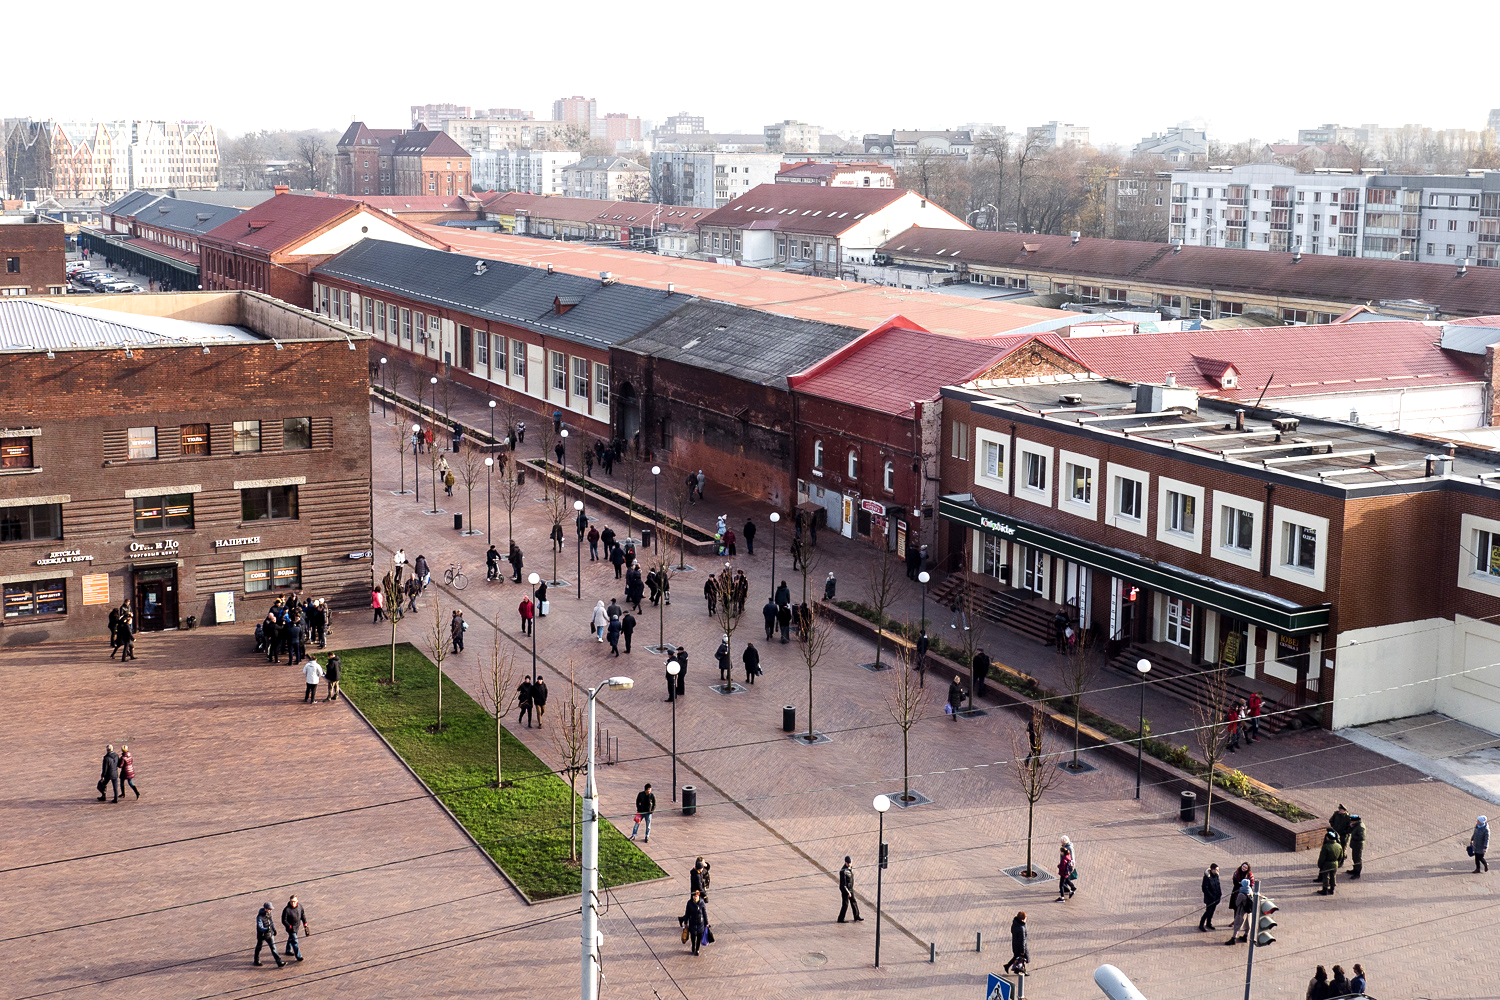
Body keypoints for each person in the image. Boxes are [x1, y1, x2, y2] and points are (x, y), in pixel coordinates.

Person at [254, 903, 285, 967]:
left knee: (273, 948)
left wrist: (274, 929)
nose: (270, 910)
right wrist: (266, 930)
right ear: (265, 909)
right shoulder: (259, 917)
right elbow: (260, 927)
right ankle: (256, 960)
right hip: (262, 936)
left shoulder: (269, 914)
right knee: (259, 947)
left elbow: (271, 922)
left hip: (270, 934)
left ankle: (279, 962)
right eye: (269, 909)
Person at [281, 895, 309, 962]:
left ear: (297, 901)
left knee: (291, 939)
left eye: (294, 901)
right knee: (295, 941)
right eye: (291, 901)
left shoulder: (300, 906)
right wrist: (289, 926)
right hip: (291, 928)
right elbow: (283, 920)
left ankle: (288, 950)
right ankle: (298, 956)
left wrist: (305, 923)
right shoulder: (286, 910)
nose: (293, 903)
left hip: (297, 926)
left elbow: (302, 915)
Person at [679, 890, 708, 955]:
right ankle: (693, 946)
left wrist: (706, 923)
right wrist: (686, 922)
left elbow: (704, 913)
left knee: (699, 937)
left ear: (698, 896)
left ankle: (697, 949)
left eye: (696, 896)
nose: (695, 897)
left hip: (700, 923)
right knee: (693, 936)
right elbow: (687, 913)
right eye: (694, 896)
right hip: (692, 922)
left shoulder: (701, 902)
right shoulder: (689, 903)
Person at [1225, 879, 1253, 944]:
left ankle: (1233, 938)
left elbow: (1237, 903)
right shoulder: (1250, 891)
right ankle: (1245, 936)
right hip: (1249, 911)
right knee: (1248, 923)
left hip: (1241, 911)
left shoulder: (1241, 894)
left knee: (1237, 924)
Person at [1317, 830, 1345, 895]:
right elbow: (1341, 856)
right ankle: (1332, 889)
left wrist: (1320, 864)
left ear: (1328, 838)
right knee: (1333, 876)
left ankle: (1325, 890)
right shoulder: (1339, 846)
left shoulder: (1326, 846)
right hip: (1335, 863)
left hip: (1327, 864)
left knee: (1326, 877)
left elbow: (1322, 857)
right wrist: (1338, 863)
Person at [838, 856, 863, 922]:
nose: (849, 864)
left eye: (850, 863)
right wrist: (848, 892)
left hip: (850, 889)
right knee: (845, 905)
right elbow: (842, 885)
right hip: (845, 890)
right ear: (845, 863)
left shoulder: (850, 868)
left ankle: (856, 916)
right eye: (848, 863)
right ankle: (840, 919)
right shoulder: (843, 871)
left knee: (854, 902)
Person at [1199, 862, 1221, 932]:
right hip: (1210, 898)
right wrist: (1211, 896)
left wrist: (1219, 894)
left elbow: (1218, 885)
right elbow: (1205, 888)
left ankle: (1208, 923)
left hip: (1216, 897)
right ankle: (1201, 924)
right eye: (1216, 870)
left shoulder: (1216, 876)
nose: (1218, 871)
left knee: (1212, 911)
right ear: (1212, 870)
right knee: (1208, 911)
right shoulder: (1207, 877)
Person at [1348, 814, 1365, 878]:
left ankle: (1357, 873)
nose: (1351, 822)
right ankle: (1354, 870)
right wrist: (1351, 827)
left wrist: (1353, 836)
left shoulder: (1361, 827)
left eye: (1352, 821)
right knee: (1354, 858)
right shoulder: (1356, 825)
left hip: (1358, 845)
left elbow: (1362, 837)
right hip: (1355, 845)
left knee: (1357, 859)